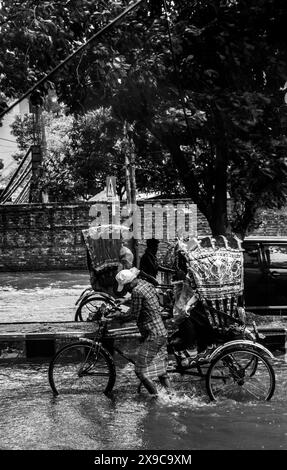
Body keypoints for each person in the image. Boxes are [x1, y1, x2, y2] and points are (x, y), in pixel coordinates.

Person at [115, 267, 170, 396]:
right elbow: (145, 301)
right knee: (161, 370)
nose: (127, 290)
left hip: (153, 335)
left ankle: (157, 399)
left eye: (126, 287)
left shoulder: (136, 291)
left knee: (140, 371)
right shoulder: (145, 284)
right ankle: (170, 395)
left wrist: (118, 316)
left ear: (130, 283)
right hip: (161, 331)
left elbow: (133, 315)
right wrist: (126, 301)